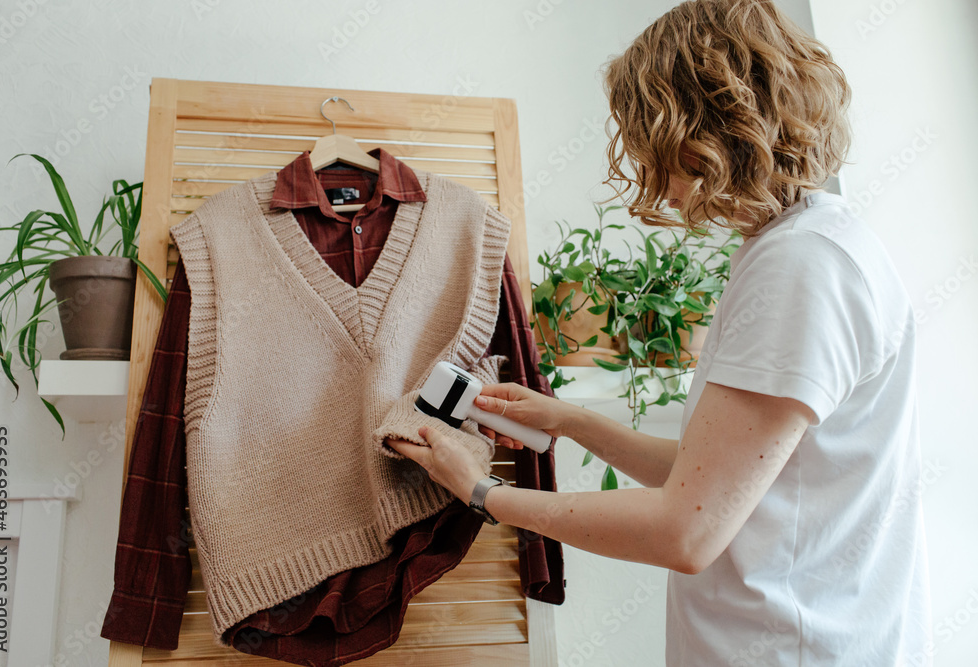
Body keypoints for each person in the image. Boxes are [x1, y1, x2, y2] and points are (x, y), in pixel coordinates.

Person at [386, 0, 932, 664]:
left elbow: (684, 529)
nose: (651, 178)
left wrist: (483, 491)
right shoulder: (812, 243)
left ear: (708, 129)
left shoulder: (801, 268)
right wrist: (568, 421)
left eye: (655, 147)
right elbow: (709, 480)